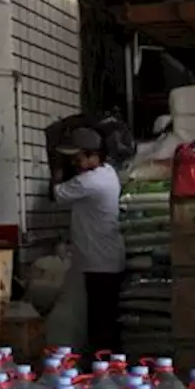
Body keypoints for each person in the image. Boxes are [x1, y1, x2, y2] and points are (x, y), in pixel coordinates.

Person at [52, 127, 125, 354]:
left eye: (78, 158)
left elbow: (55, 194)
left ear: (95, 156)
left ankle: (103, 370)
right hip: (105, 259)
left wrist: (56, 168)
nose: (75, 163)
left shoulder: (89, 182)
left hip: (99, 262)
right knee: (105, 321)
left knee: (100, 324)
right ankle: (107, 367)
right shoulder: (108, 172)